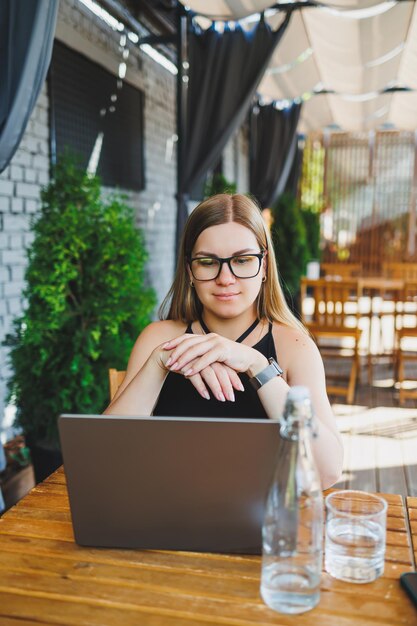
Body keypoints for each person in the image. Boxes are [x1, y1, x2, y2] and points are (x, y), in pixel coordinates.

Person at [104, 193, 343, 488]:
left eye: (242, 260)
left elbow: (327, 472)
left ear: (265, 265)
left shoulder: (294, 347)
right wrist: (159, 363)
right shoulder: (160, 338)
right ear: (190, 270)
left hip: (261, 520)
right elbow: (108, 455)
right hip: (167, 511)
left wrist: (258, 365)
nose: (225, 278)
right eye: (208, 262)